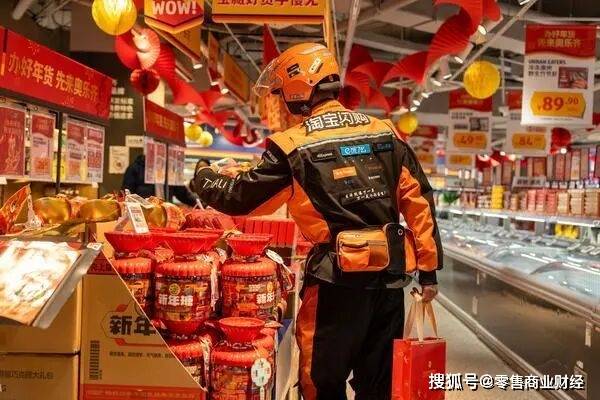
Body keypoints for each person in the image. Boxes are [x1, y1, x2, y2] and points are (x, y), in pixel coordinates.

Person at [191, 43, 442, 400]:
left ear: (299, 88)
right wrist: (429, 272)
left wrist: (204, 177)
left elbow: (242, 198)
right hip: (388, 283)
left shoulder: (293, 146)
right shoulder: (385, 132)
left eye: (281, 93)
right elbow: (420, 203)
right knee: (379, 385)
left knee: (321, 382)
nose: (281, 101)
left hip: (333, 283)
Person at [121, 154, 197, 206]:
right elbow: (127, 194)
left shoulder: (169, 170)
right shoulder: (136, 168)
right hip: (143, 215)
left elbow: (182, 193)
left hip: (166, 214)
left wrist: (199, 203)